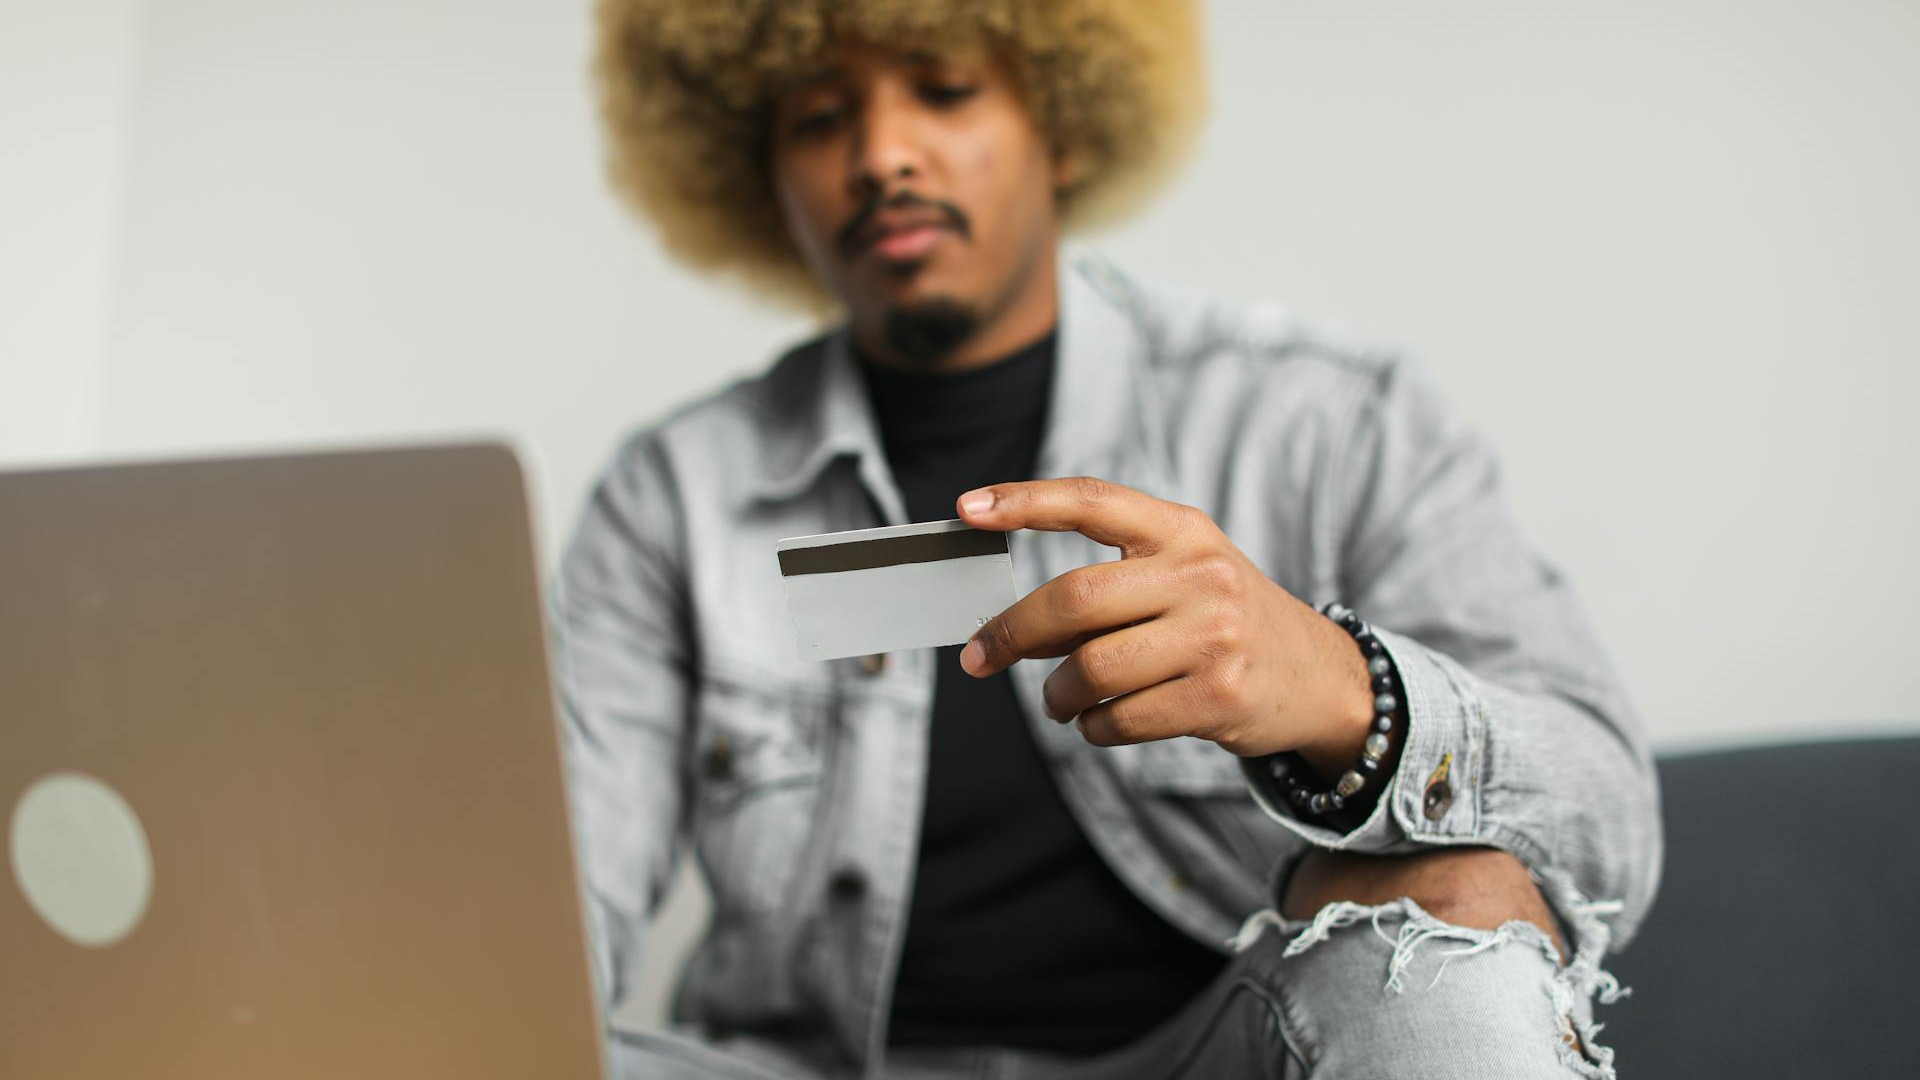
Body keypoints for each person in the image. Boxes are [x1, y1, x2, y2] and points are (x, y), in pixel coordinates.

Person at [556, 2, 1660, 1077]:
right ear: (761, 179)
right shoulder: (676, 497)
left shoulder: (1325, 423)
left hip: (1225, 1052)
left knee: (1460, 911)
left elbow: (1605, 814)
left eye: (944, 90)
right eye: (817, 119)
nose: (881, 153)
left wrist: (1339, 692)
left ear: (1068, 123)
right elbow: (562, 907)